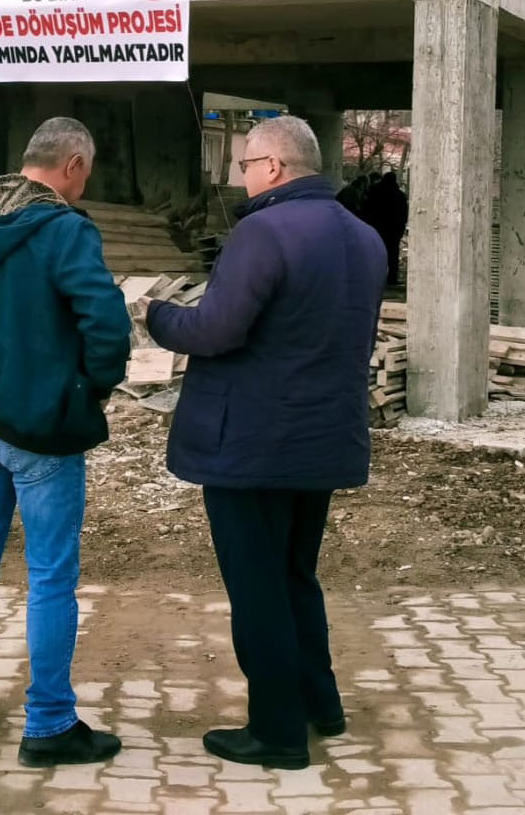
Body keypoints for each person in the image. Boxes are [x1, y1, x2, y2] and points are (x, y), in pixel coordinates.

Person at [136, 116, 387, 770]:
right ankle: (318, 705)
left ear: (274, 166)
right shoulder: (364, 238)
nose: (240, 176)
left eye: (245, 164)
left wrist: (156, 313)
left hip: (250, 445)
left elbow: (217, 330)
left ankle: (276, 733)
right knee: (296, 576)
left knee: (258, 590)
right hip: (322, 440)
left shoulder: (262, 231)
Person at [0, 117, 131, 767]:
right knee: (49, 577)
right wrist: (90, 390)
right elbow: (106, 324)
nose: (86, 183)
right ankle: (48, 725)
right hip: (41, 428)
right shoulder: (64, 231)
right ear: (73, 165)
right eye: (88, 171)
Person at [359, 171, 409, 286]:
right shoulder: (399, 195)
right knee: (392, 255)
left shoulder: (374, 192)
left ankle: (374, 278)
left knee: (375, 254)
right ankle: (392, 279)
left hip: (376, 229)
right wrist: (400, 229)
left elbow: (366, 209)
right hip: (393, 231)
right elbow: (403, 214)